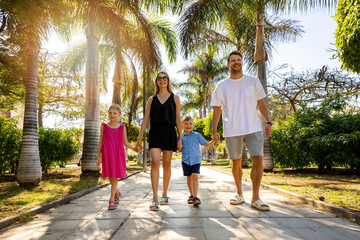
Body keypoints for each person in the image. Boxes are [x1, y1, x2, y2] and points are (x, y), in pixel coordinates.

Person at [211, 51, 273, 211]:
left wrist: (268, 122)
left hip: (253, 128)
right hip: (232, 130)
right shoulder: (221, 85)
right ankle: (239, 193)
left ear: (242, 62)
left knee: (258, 159)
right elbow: (217, 110)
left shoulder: (253, 81)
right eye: (233, 60)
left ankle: (256, 197)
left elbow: (262, 105)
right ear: (228, 64)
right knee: (236, 161)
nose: (236, 62)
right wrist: (214, 131)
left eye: (239, 60)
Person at [135, 72, 182, 211]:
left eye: (165, 78)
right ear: (156, 81)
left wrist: (180, 138)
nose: (162, 80)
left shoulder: (175, 98)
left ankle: (164, 194)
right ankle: (154, 197)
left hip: (169, 132)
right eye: (159, 78)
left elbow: (178, 119)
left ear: (168, 81)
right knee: (155, 162)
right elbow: (145, 120)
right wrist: (139, 138)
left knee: (166, 165)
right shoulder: (151, 99)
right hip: (155, 132)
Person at [96, 104, 137, 210]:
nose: (112, 115)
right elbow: (100, 142)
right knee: (111, 176)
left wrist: (134, 148)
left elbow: (126, 143)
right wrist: (98, 156)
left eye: (114, 113)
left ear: (119, 115)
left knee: (115, 177)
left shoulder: (122, 128)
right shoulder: (104, 127)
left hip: (118, 154)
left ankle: (111, 200)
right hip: (107, 153)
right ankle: (117, 192)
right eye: (110, 113)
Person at [181, 116, 216, 206]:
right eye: (186, 124)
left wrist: (214, 141)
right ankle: (191, 196)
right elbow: (177, 148)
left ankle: (196, 197)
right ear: (182, 125)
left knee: (195, 176)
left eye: (190, 124)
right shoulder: (180, 137)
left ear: (193, 125)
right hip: (185, 161)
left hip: (196, 160)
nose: (188, 125)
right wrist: (178, 148)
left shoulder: (197, 135)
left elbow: (207, 145)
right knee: (189, 177)